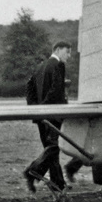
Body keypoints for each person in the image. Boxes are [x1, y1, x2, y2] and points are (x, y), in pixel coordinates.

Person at [23, 41, 73, 192]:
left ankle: (58, 185)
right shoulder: (59, 66)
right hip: (52, 114)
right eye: (67, 52)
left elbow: (29, 88)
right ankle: (32, 172)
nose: (69, 56)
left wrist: (36, 109)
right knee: (53, 147)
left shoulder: (40, 66)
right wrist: (46, 107)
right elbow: (56, 91)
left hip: (40, 115)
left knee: (50, 149)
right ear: (58, 50)